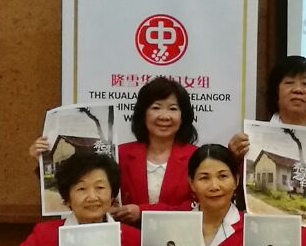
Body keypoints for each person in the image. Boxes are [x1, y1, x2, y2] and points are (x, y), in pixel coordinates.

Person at [30, 77, 199, 224]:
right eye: (156, 108)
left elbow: (199, 205)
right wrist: (43, 159)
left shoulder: (197, 157)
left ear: (183, 116)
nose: (164, 116)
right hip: (123, 242)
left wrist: (143, 212)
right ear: (143, 114)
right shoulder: (120, 154)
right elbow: (75, 183)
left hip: (178, 241)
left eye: (173, 109)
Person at [0, 152, 143, 246]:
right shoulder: (45, 236)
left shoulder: (133, 238)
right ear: (67, 199)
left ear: (112, 196)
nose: (92, 197)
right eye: (81, 188)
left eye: (100, 187)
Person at [229, 56, 306, 208]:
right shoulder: (252, 137)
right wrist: (232, 159)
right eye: (289, 83)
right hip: (262, 227)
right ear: (276, 92)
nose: (298, 89)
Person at [181, 144, 245, 246]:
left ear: (236, 180)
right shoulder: (175, 228)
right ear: (191, 183)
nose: (214, 186)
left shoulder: (252, 231)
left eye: (223, 176)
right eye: (204, 178)